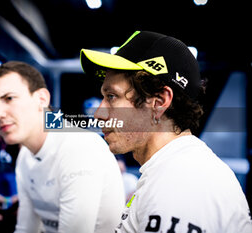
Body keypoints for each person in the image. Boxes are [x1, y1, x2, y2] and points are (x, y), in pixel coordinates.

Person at [80, 30, 252, 232]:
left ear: (159, 102)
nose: (99, 113)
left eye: (111, 96)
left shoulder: (181, 183)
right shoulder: (171, 171)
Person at [0, 61, 125, 233]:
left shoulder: (80, 148)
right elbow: (26, 228)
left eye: (9, 98)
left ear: (42, 99)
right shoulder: (25, 157)